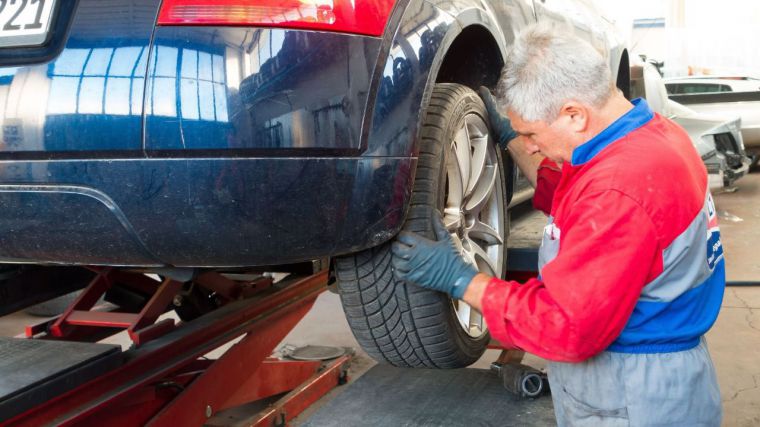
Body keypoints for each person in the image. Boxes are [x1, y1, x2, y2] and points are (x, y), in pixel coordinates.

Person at [391, 24, 724, 426]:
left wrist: (463, 281)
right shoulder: (653, 134)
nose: (529, 145)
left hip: (635, 394)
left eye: (531, 133)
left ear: (574, 114)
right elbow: (576, 196)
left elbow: (566, 327)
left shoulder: (619, 190)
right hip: (653, 377)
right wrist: (512, 135)